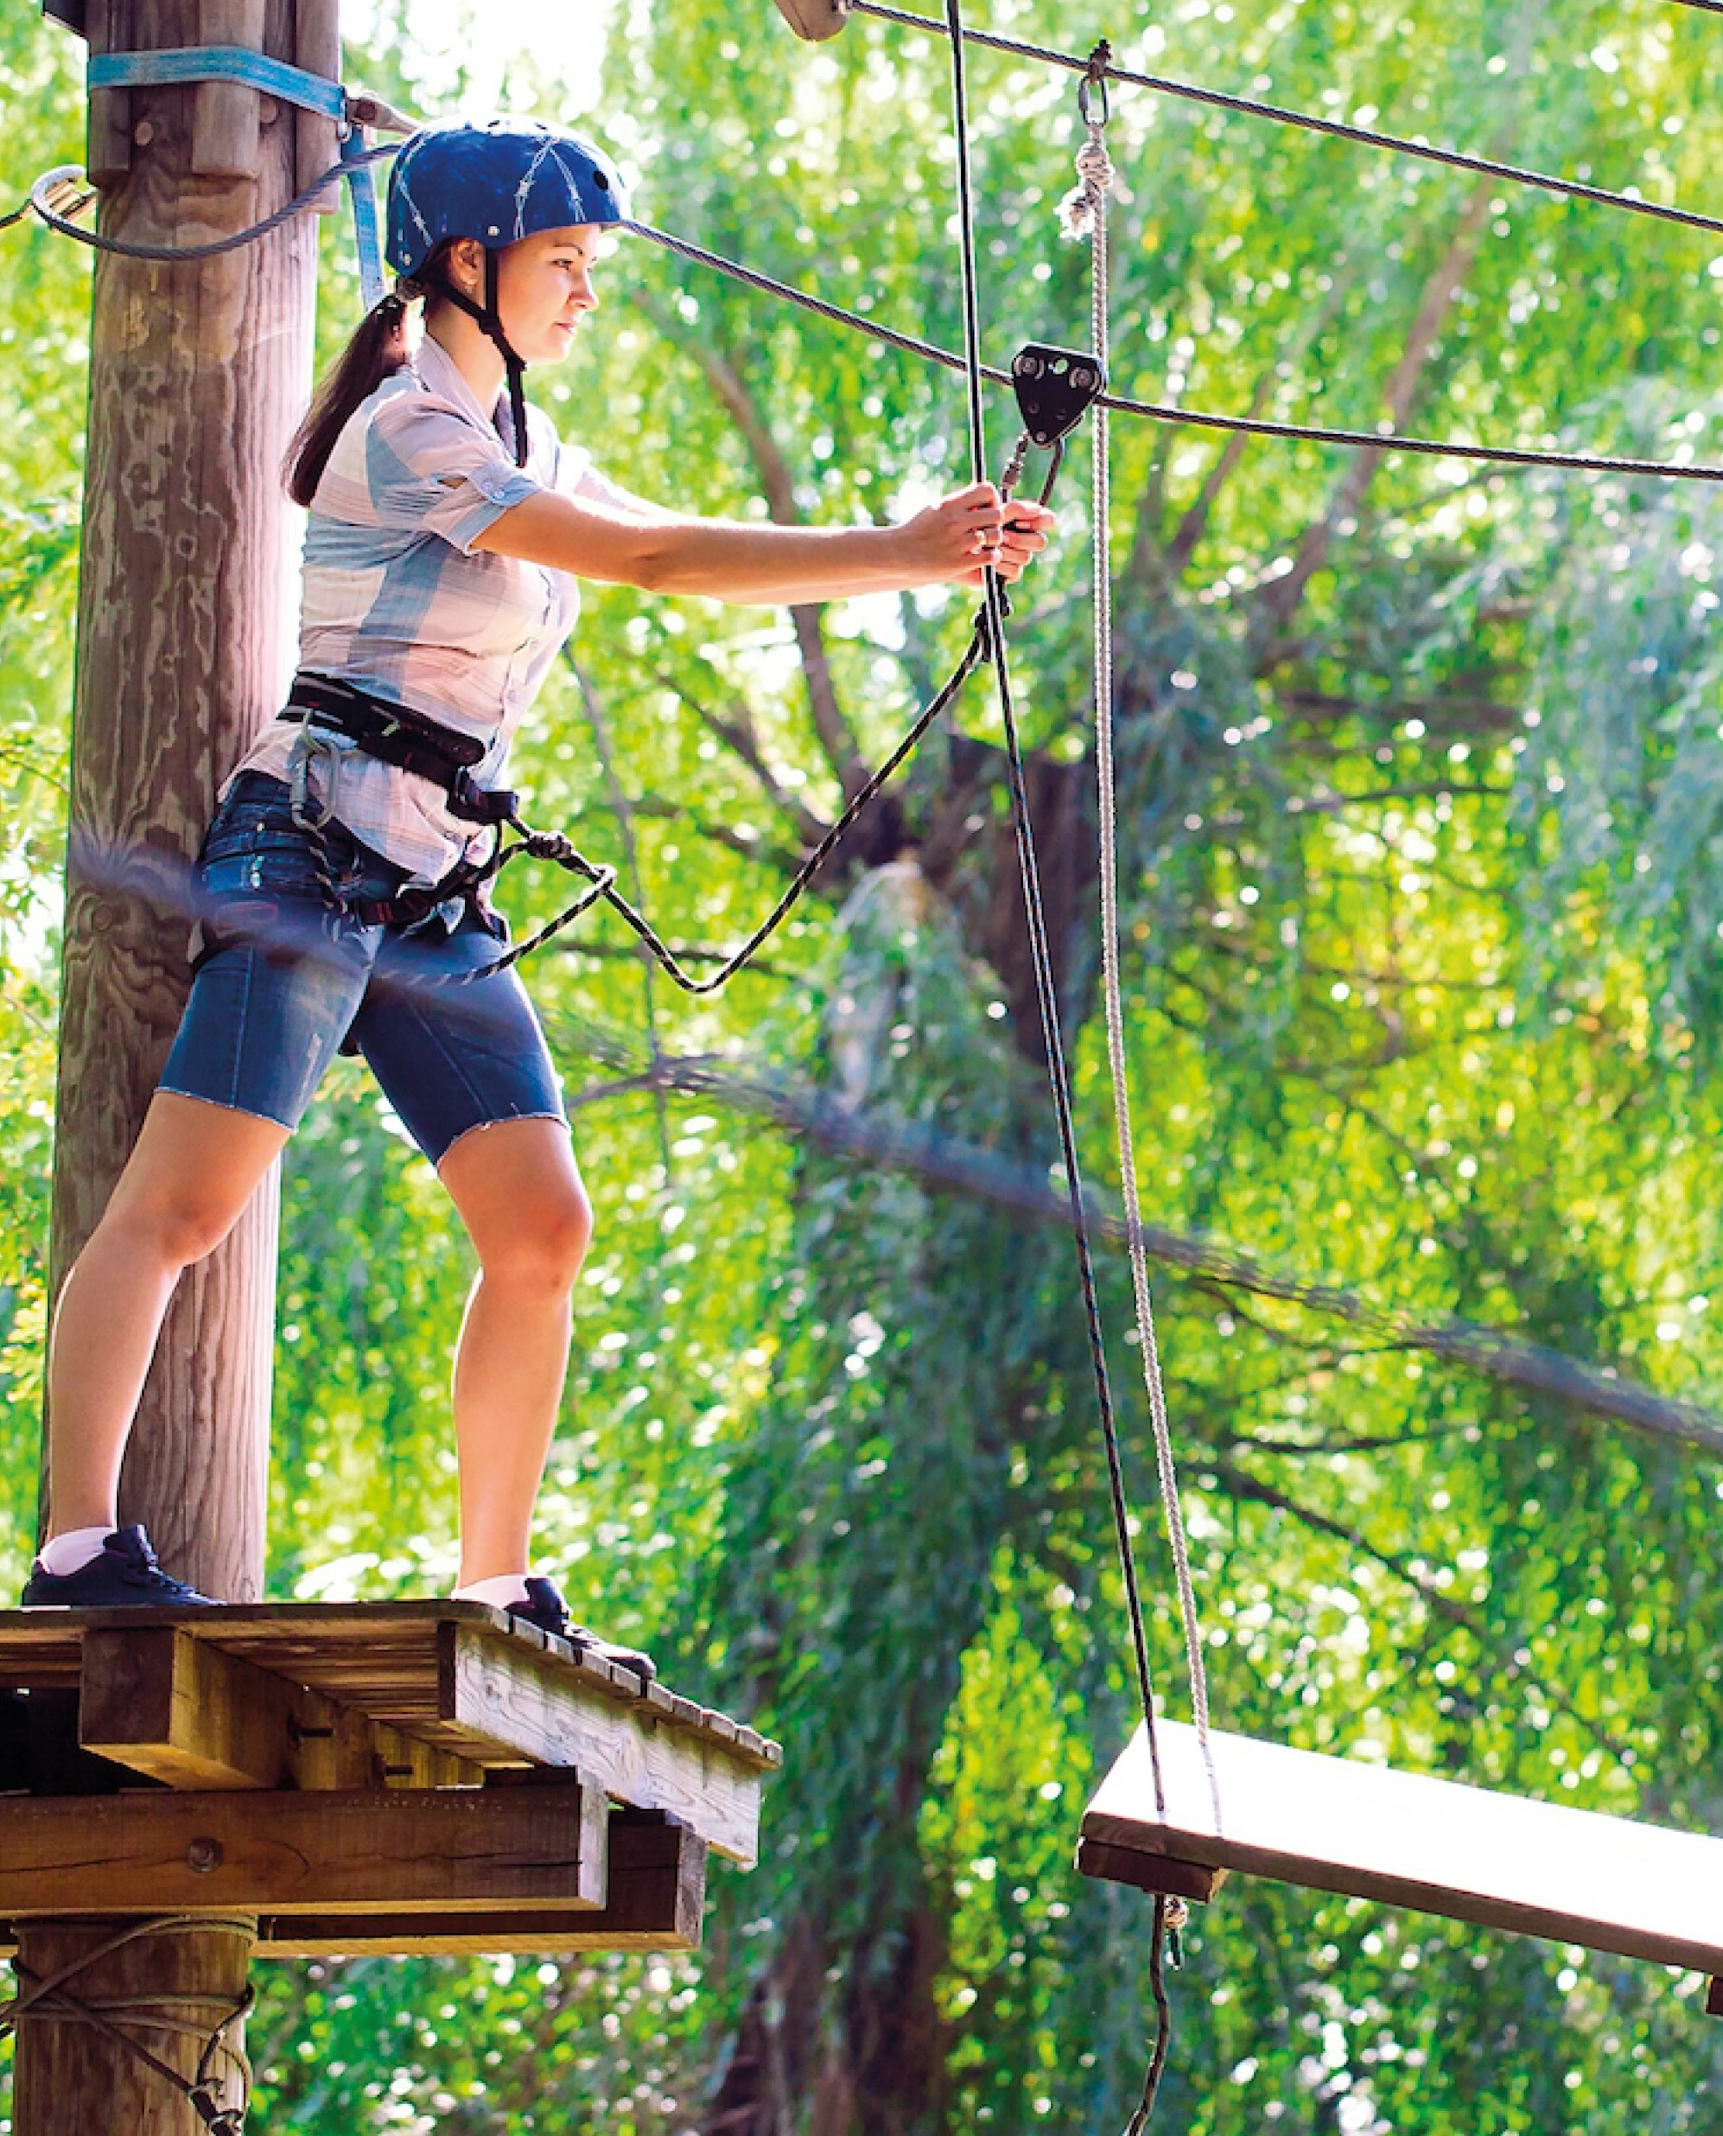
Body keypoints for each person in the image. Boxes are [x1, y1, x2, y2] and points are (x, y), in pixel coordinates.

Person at [21, 120, 1052, 1676]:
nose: (585, 292)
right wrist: (900, 552)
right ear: (464, 265)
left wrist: (923, 558)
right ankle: (77, 1548)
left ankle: (494, 1586)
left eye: (588, 268)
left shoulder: (518, 440)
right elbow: (654, 559)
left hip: (432, 877)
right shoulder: (407, 431)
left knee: (541, 1225)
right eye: (563, 264)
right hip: (309, 852)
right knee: (183, 1205)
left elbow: (670, 543)